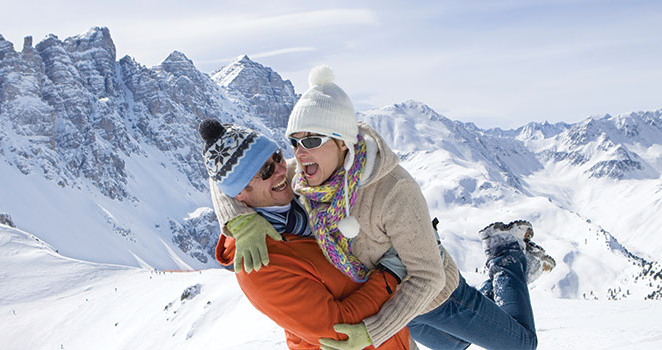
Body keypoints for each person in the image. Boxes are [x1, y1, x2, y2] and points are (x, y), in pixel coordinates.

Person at [210, 65, 555, 350]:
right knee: (454, 346)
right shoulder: (303, 174)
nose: (295, 156)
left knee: (520, 344)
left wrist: (375, 330)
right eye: (293, 143)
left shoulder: (392, 189)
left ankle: (506, 252)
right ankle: (498, 285)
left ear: (341, 142)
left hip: (432, 294)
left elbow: (428, 276)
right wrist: (239, 221)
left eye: (311, 141)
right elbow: (228, 173)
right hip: (388, 302)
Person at [198, 120, 416, 349]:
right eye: (266, 171)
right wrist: (391, 272)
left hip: (396, 334)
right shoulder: (260, 265)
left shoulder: (304, 196)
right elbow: (337, 329)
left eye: (277, 157)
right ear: (240, 193)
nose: (282, 170)